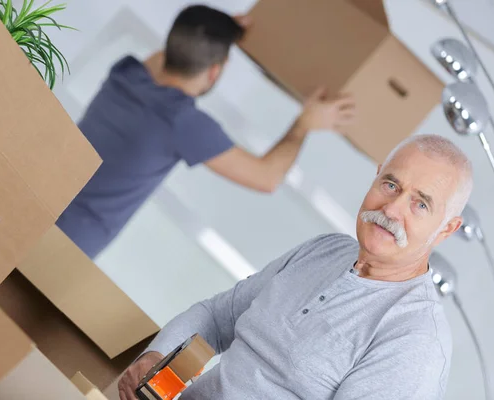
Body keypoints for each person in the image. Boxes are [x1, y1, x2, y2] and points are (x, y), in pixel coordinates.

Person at [117, 134, 473, 400]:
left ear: (446, 229)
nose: (392, 209)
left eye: (420, 205)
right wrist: (157, 356)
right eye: (391, 184)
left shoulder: (416, 341)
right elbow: (216, 318)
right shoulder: (325, 250)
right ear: (376, 177)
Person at [56, 5, 356, 259]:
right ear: (215, 71)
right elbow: (267, 178)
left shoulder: (127, 72)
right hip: (69, 244)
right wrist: (305, 123)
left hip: (42, 203)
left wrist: (222, 35)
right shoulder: (182, 123)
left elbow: (173, 52)